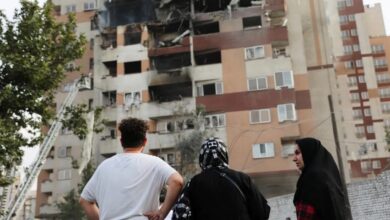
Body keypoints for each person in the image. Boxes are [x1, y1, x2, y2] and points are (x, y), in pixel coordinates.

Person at [79, 117, 184, 220]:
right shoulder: (155, 163)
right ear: (144, 141)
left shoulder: (104, 166)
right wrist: (162, 213)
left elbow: (84, 200)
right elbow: (177, 181)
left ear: (121, 141)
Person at [172, 137, 270, 220]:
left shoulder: (193, 184)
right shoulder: (242, 179)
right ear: (225, 155)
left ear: (202, 159)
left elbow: (179, 214)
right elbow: (263, 212)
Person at [293, 137, 349, 220]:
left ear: (308, 152)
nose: (294, 159)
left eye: (297, 153)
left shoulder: (311, 180)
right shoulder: (329, 178)